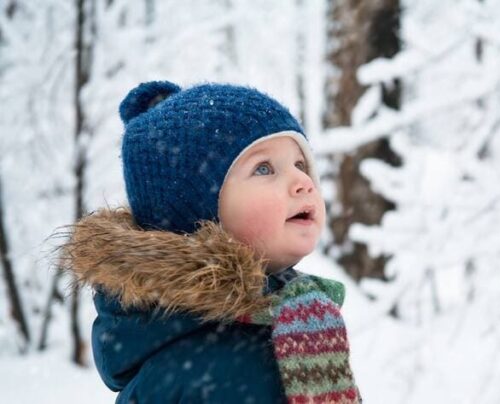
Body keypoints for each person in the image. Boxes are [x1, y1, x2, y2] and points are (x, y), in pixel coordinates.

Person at [61, 81, 361, 403]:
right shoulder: (213, 370)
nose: (303, 182)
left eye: (300, 164)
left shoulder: (293, 319)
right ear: (197, 213)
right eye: (264, 168)